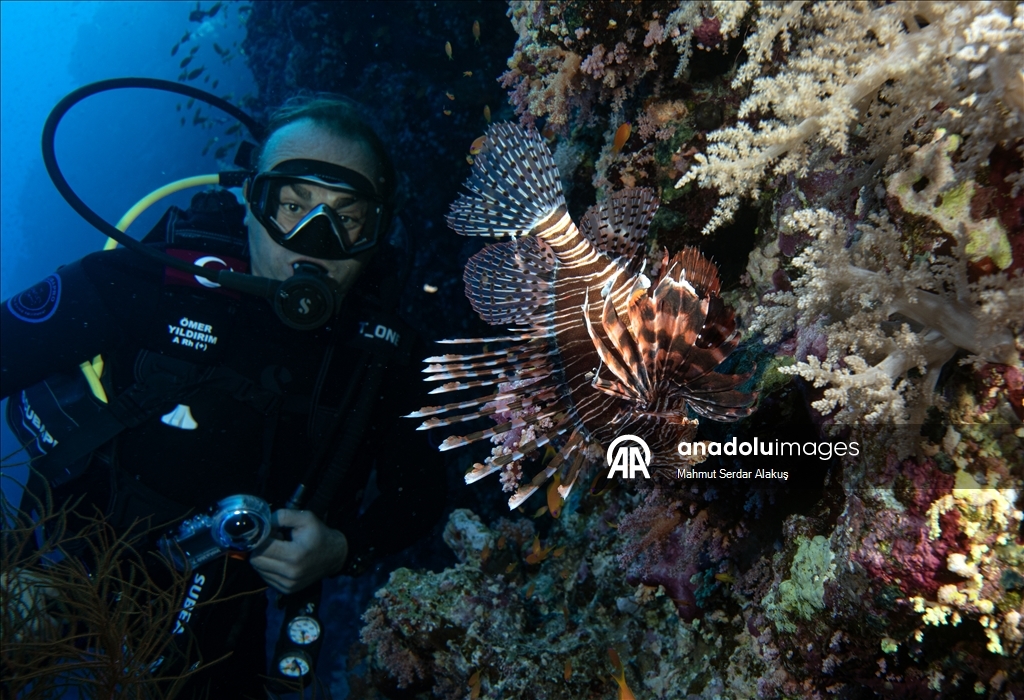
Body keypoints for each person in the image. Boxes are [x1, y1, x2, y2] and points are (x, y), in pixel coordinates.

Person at [0, 96, 446, 696]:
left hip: (213, 639)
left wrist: (342, 549)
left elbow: (420, 496)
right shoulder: (146, 283)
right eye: (291, 205)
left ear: (377, 232)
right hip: (48, 575)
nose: (315, 240)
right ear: (249, 203)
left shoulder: (385, 360)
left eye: (348, 216)